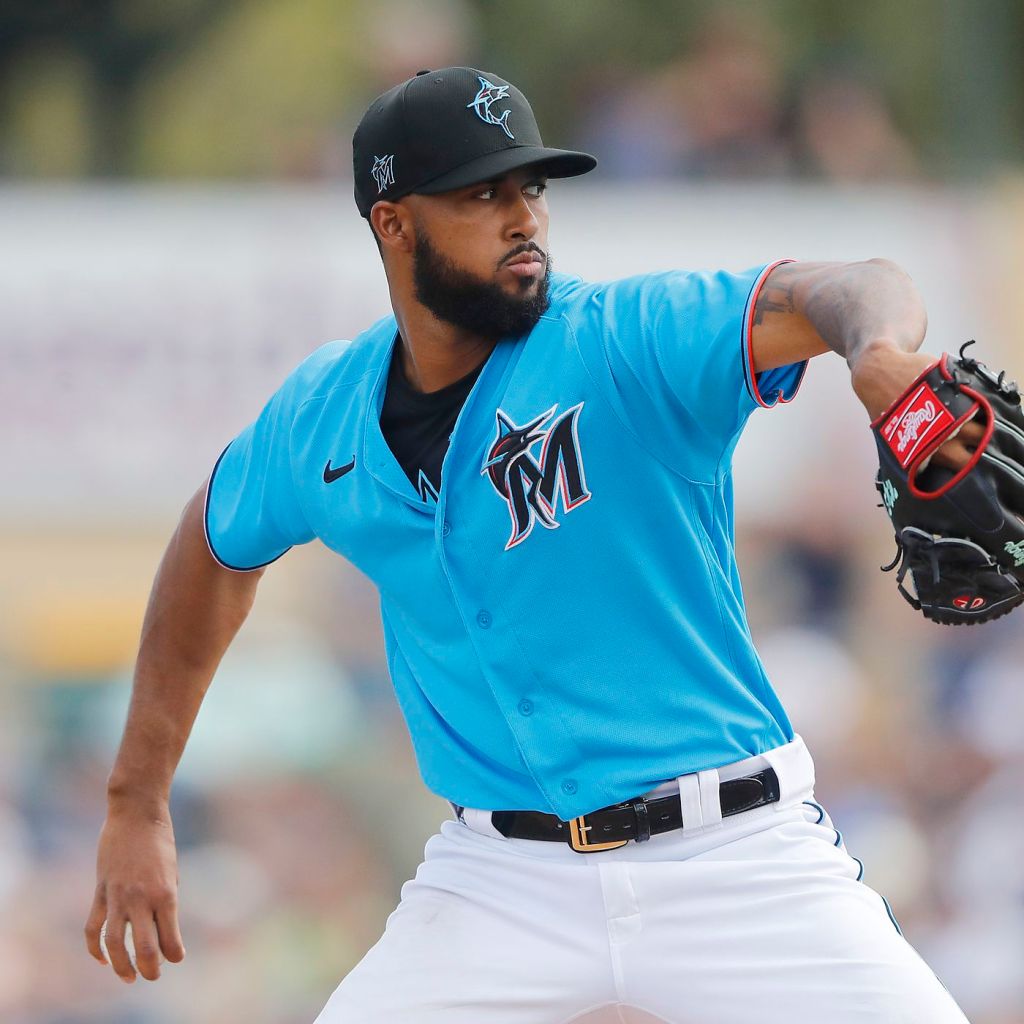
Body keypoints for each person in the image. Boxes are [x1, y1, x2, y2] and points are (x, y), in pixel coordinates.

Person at [85, 67, 980, 1022]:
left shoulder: (624, 338)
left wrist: (881, 350)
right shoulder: (321, 418)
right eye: (483, 194)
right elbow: (213, 547)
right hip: (497, 881)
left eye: (532, 188)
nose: (524, 218)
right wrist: (136, 801)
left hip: (736, 855)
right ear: (393, 223)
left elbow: (849, 285)